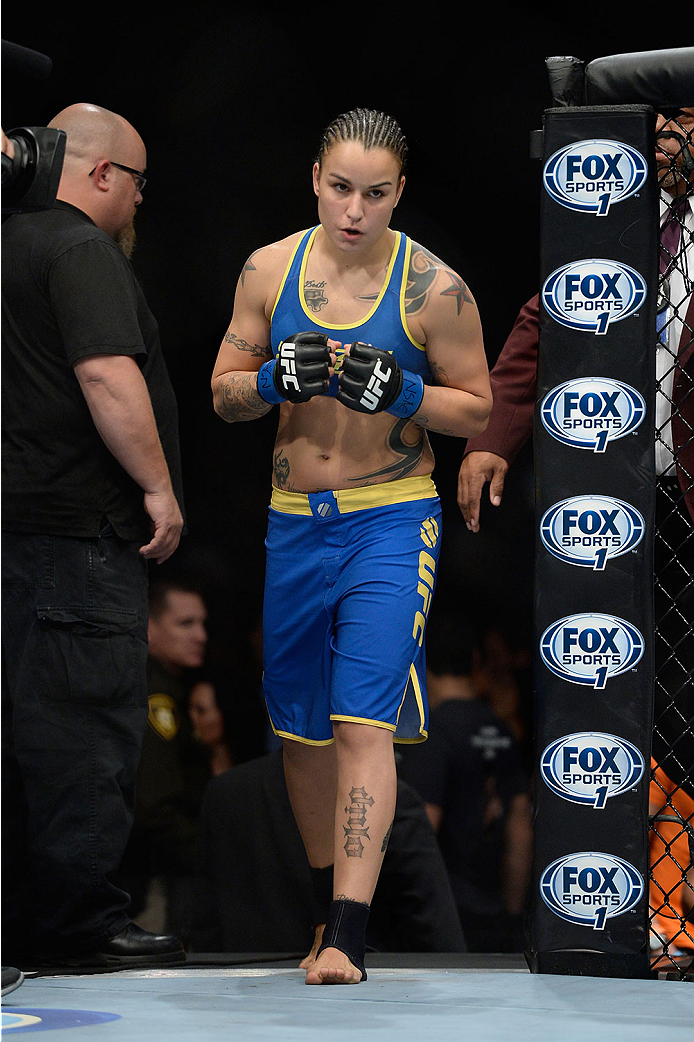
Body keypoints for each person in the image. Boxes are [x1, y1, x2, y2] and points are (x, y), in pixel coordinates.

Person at [211, 108, 492, 983]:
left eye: (375, 193)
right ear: (315, 179)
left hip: (391, 513)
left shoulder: (435, 288)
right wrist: (266, 382)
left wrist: (404, 392)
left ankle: (348, 933)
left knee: (359, 718)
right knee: (299, 728)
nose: (355, 209)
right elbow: (222, 394)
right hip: (295, 517)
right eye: (341, 188)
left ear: (399, 192)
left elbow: (478, 407)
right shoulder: (269, 267)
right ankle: (328, 905)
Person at [457, 107, 693, 957]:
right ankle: (651, 916)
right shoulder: (621, 223)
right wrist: (492, 442)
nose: (667, 135)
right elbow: (537, 325)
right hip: (633, 502)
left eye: (687, 120)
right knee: (643, 709)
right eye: (662, 119)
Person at [1, 102, 185, 968]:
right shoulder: (79, 248)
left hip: (17, 532)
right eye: (140, 184)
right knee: (84, 729)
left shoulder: (7, 239)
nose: (142, 202)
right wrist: (158, 488)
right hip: (79, 536)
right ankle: (77, 921)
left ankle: (27, 919)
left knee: (22, 728)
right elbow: (107, 374)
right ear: (104, 173)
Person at [397, 603, 532, 951]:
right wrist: (514, 912)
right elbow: (520, 825)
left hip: (446, 917)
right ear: (475, 660)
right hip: (496, 912)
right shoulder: (501, 728)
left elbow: (422, 827)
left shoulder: (429, 734)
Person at [115, 579, 210, 944]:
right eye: (185, 624)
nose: (200, 635)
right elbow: (153, 805)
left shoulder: (170, 687)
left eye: (203, 624)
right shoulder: (154, 694)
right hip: (149, 880)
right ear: (149, 627)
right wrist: (212, 852)